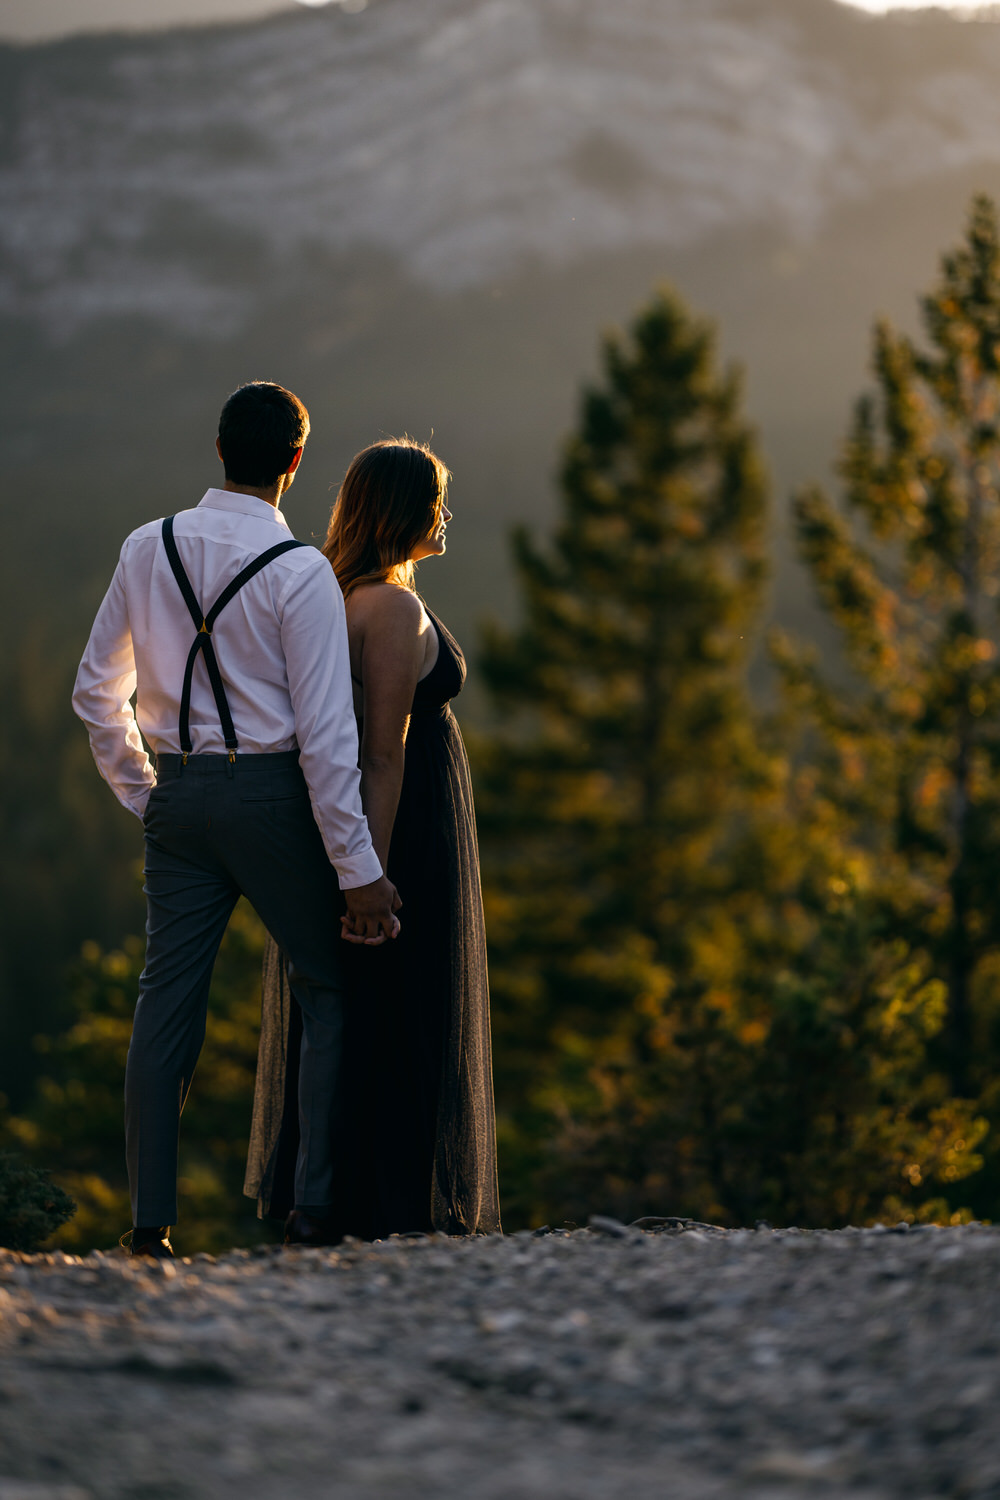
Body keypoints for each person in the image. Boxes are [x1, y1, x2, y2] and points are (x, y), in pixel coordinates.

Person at [72, 381, 399, 1259]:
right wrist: (359, 868)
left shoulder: (149, 545)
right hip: (270, 799)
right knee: (328, 986)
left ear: (219, 450)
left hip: (177, 797)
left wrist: (150, 793)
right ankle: (313, 1211)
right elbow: (329, 738)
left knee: (164, 1003)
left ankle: (149, 1223)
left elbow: (95, 695)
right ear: (296, 462)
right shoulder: (300, 574)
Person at [246, 438, 501, 1242]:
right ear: (404, 511)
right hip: (397, 831)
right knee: (401, 1005)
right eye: (437, 501)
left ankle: (335, 1196)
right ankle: (383, 1206)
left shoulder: (335, 589)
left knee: (354, 1011)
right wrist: (373, 881)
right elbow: (382, 749)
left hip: (353, 823)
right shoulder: (388, 607)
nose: (448, 515)